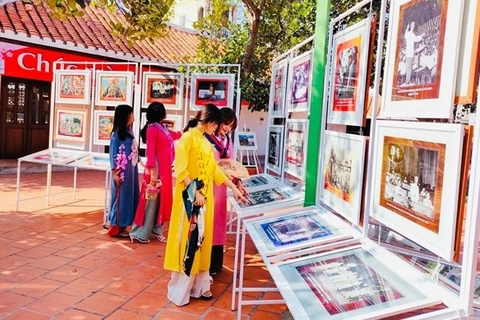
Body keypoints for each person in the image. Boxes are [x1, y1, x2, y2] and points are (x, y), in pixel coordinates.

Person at [164, 103, 246, 306]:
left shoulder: (203, 142)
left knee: (202, 241)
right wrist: (195, 193)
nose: (218, 130)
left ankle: (199, 286)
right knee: (189, 242)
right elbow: (181, 171)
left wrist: (233, 187)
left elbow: (214, 170)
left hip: (205, 200)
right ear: (210, 121)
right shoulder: (186, 139)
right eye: (217, 125)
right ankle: (180, 290)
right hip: (190, 201)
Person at [130, 102, 181, 244]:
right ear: (161, 113)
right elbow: (150, 152)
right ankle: (139, 232)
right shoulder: (152, 129)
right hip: (156, 168)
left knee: (161, 199)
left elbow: (176, 135)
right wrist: (153, 172)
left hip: (163, 169)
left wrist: (188, 130)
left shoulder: (161, 128)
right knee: (150, 199)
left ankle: (156, 228)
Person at [205, 107, 248, 276]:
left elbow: (230, 164)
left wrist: (238, 181)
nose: (228, 128)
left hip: (223, 187)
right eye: (226, 124)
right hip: (209, 186)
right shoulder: (206, 139)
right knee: (208, 223)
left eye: (231, 126)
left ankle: (216, 263)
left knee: (219, 224)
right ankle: (204, 263)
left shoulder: (227, 140)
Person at [107, 104, 139, 237]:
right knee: (120, 198)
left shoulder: (129, 132)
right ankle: (115, 227)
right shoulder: (116, 135)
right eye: (131, 113)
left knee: (129, 197)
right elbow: (113, 154)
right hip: (122, 172)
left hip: (131, 170)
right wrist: (115, 172)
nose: (133, 116)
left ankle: (124, 225)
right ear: (125, 116)